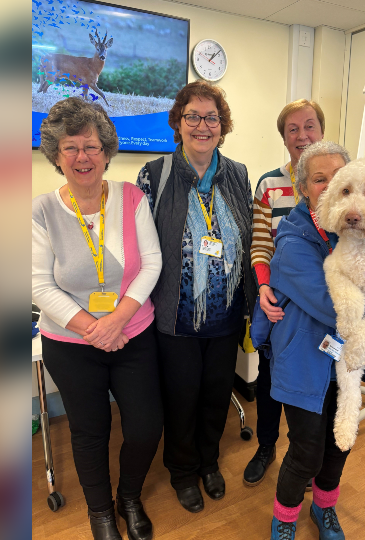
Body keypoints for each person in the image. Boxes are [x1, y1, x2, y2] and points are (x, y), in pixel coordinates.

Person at [33, 97, 163, 540]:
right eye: (70, 148)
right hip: (71, 345)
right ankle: (101, 513)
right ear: (55, 155)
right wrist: (93, 327)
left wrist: (115, 322)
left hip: (133, 336)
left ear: (107, 152)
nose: (82, 157)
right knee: (89, 433)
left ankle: (128, 497)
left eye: (90, 146)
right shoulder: (42, 211)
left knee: (145, 429)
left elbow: (151, 262)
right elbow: (37, 284)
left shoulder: (132, 197)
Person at [135, 81, 256, 513]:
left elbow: (251, 239)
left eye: (212, 118)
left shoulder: (238, 174)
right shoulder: (155, 174)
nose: (202, 126)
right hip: (175, 317)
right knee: (181, 398)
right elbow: (141, 247)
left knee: (215, 394)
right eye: (193, 117)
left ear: (222, 127)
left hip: (225, 318)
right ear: (178, 123)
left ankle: (209, 462)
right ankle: (182, 471)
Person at [266, 141, 365, 540]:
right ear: (302, 186)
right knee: (306, 451)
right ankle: (285, 519)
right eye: (319, 179)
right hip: (303, 363)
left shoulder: (364, 232)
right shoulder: (292, 243)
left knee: (339, 444)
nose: (329, 186)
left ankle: (324, 510)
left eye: (337, 178)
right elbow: (332, 306)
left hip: (348, 361)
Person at [245, 99, 326, 487]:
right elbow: (260, 244)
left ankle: (303, 457)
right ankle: (265, 447)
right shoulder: (268, 184)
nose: (302, 136)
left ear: (321, 131)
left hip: (324, 308)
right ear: (284, 137)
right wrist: (262, 286)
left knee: (314, 389)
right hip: (278, 305)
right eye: (292, 129)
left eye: (309, 126)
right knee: (269, 382)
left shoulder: (340, 180)